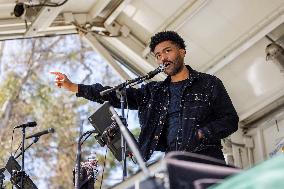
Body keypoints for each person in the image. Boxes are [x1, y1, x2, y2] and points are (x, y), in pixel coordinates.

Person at [51, 31, 239, 162]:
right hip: (174, 161)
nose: (163, 58)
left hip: (207, 157)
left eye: (167, 51)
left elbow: (230, 119)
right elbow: (115, 95)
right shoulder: (152, 92)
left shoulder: (209, 83)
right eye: (158, 55)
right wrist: (74, 86)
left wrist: (202, 133)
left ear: (182, 51)